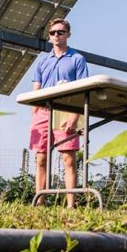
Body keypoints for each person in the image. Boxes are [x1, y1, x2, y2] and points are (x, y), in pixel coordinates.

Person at [29, 18, 89, 208]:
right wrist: (35, 112)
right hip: (43, 112)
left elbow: (82, 89)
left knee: (68, 159)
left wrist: (75, 116)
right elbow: (35, 89)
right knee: (41, 158)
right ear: (49, 36)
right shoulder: (42, 61)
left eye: (60, 32)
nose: (56, 35)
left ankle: (71, 205)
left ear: (68, 35)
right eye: (53, 32)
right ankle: (40, 203)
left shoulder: (77, 59)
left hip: (67, 110)